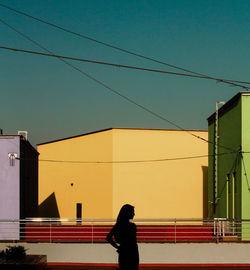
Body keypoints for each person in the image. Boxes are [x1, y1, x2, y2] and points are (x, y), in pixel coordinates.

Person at [106, 204, 139, 270]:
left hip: (123, 252)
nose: (134, 214)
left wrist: (118, 247)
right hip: (133, 252)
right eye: (132, 212)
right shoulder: (132, 226)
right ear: (127, 213)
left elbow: (108, 238)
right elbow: (133, 241)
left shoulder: (118, 225)